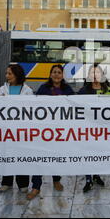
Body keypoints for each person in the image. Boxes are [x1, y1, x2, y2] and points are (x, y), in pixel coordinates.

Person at [27, 65, 75, 200]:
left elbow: (75, 103)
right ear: (50, 74)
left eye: (59, 72)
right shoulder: (43, 88)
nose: (56, 75)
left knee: (57, 157)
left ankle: (56, 180)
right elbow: (36, 105)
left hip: (60, 130)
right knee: (39, 158)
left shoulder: (67, 89)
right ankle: (36, 186)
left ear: (62, 75)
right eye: (54, 72)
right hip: (44, 129)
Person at [0, 64, 34, 193]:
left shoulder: (27, 90)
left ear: (17, 75)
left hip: (21, 130)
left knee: (21, 156)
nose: (7, 76)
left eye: (10, 74)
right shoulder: (2, 89)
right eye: (6, 73)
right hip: (6, 129)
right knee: (7, 155)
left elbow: (31, 110)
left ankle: (23, 183)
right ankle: (6, 182)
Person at [78, 64, 110, 193]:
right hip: (88, 129)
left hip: (102, 129)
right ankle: (88, 179)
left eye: (97, 73)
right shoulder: (83, 91)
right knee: (88, 153)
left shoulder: (108, 90)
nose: (95, 76)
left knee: (99, 153)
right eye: (92, 73)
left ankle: (97, 176)